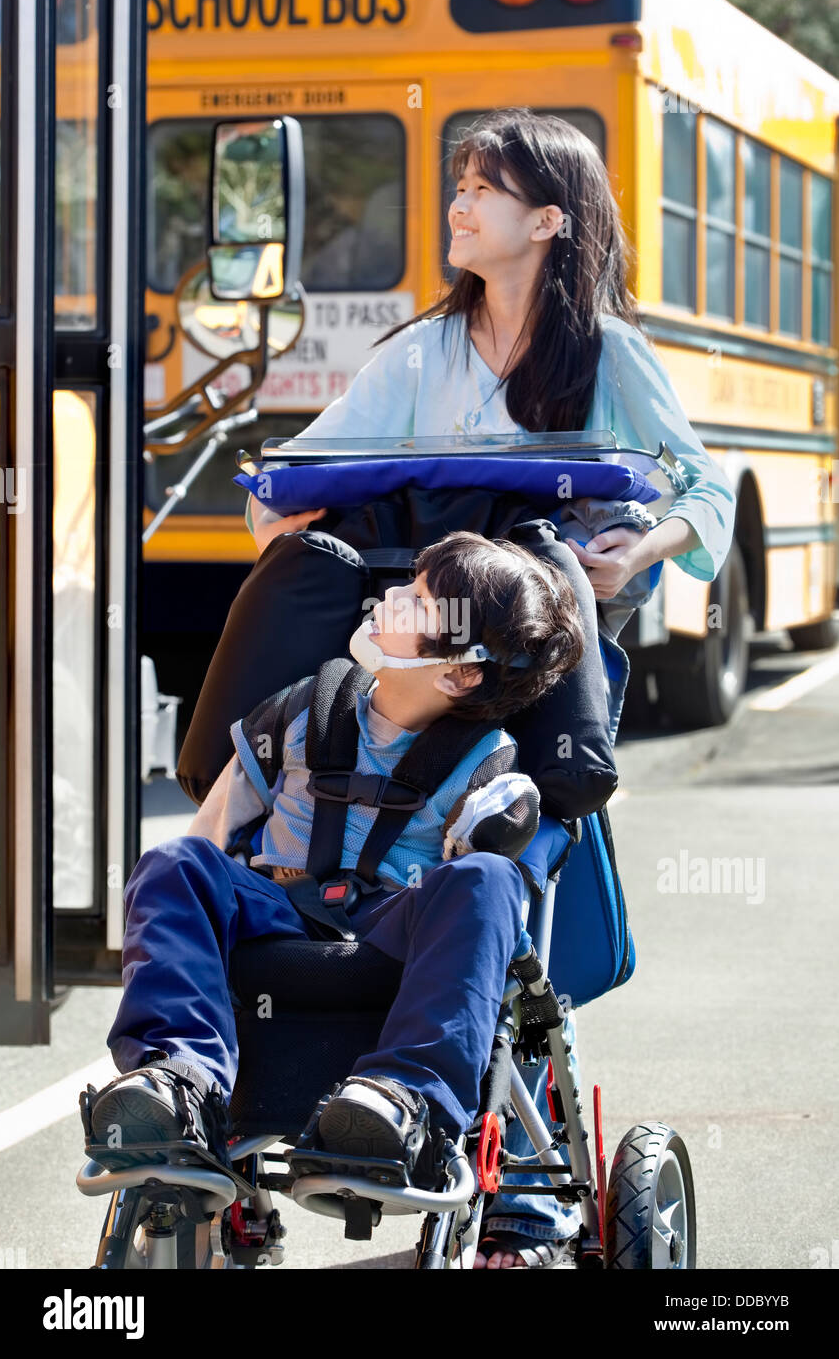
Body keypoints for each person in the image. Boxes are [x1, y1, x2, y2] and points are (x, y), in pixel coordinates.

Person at [239, 107, 737, 1266]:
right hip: (414, 659)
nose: (456, 203)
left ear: (549, 220)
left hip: (539, 670)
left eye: (481, 186)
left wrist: (645, 546)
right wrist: (287, 503)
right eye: (458, 183)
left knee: (510, 860)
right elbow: (308, 467)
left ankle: (515, 1145)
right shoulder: (418, 353)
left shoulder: (609, 357)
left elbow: (706, 492)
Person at [81, 531, 586, 1199]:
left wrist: (493, 831)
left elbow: (471, 899)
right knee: (176, 862)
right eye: (409, 581)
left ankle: (409, 1098)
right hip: (275, 911)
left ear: (459, 672)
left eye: (419, 602)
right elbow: (212, 832)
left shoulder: (488, 764)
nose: (390, 596)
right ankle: (179, 1077)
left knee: (488, 879)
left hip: (388, 934)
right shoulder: (305, 709)